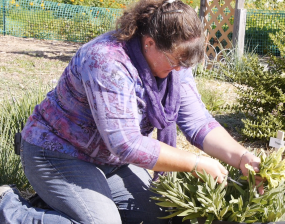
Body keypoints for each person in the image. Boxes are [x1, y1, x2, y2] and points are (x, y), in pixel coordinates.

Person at [0, 0, 263, 223]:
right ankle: (9, 208)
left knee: (161, 213)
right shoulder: (106, 61)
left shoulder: (175, 63)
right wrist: (195, 164)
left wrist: (241, 157)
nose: (180, 71)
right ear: (149, 43)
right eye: (175, 62)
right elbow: (125, 144)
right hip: (58, 153)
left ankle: (59, 203)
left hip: (109, 161)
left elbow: (197, 122)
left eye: (185, 65)